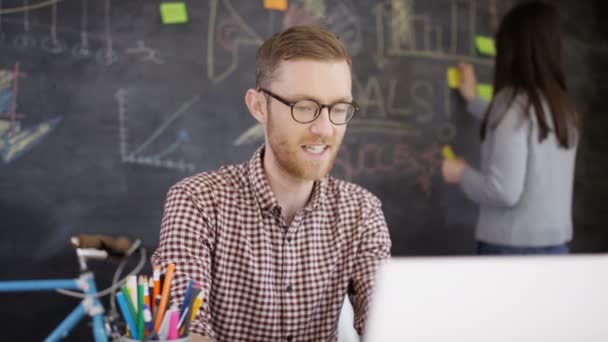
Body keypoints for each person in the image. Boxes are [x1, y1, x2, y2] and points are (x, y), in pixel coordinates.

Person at [151, 25, 392, 341]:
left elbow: (384, 325)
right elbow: (182, 331)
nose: (325, 128)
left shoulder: (362, 211)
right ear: (259, 106)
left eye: (338, 108)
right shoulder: (196, 201)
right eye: (305, 107)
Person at [441, 1, 581, 255]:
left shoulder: (512, 105)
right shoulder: (562, 108)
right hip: (557, 248)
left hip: (510, 250)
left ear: (511, 50)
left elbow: (504, 192)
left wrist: (461, 173)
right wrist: (473, 100)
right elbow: (522, 124)